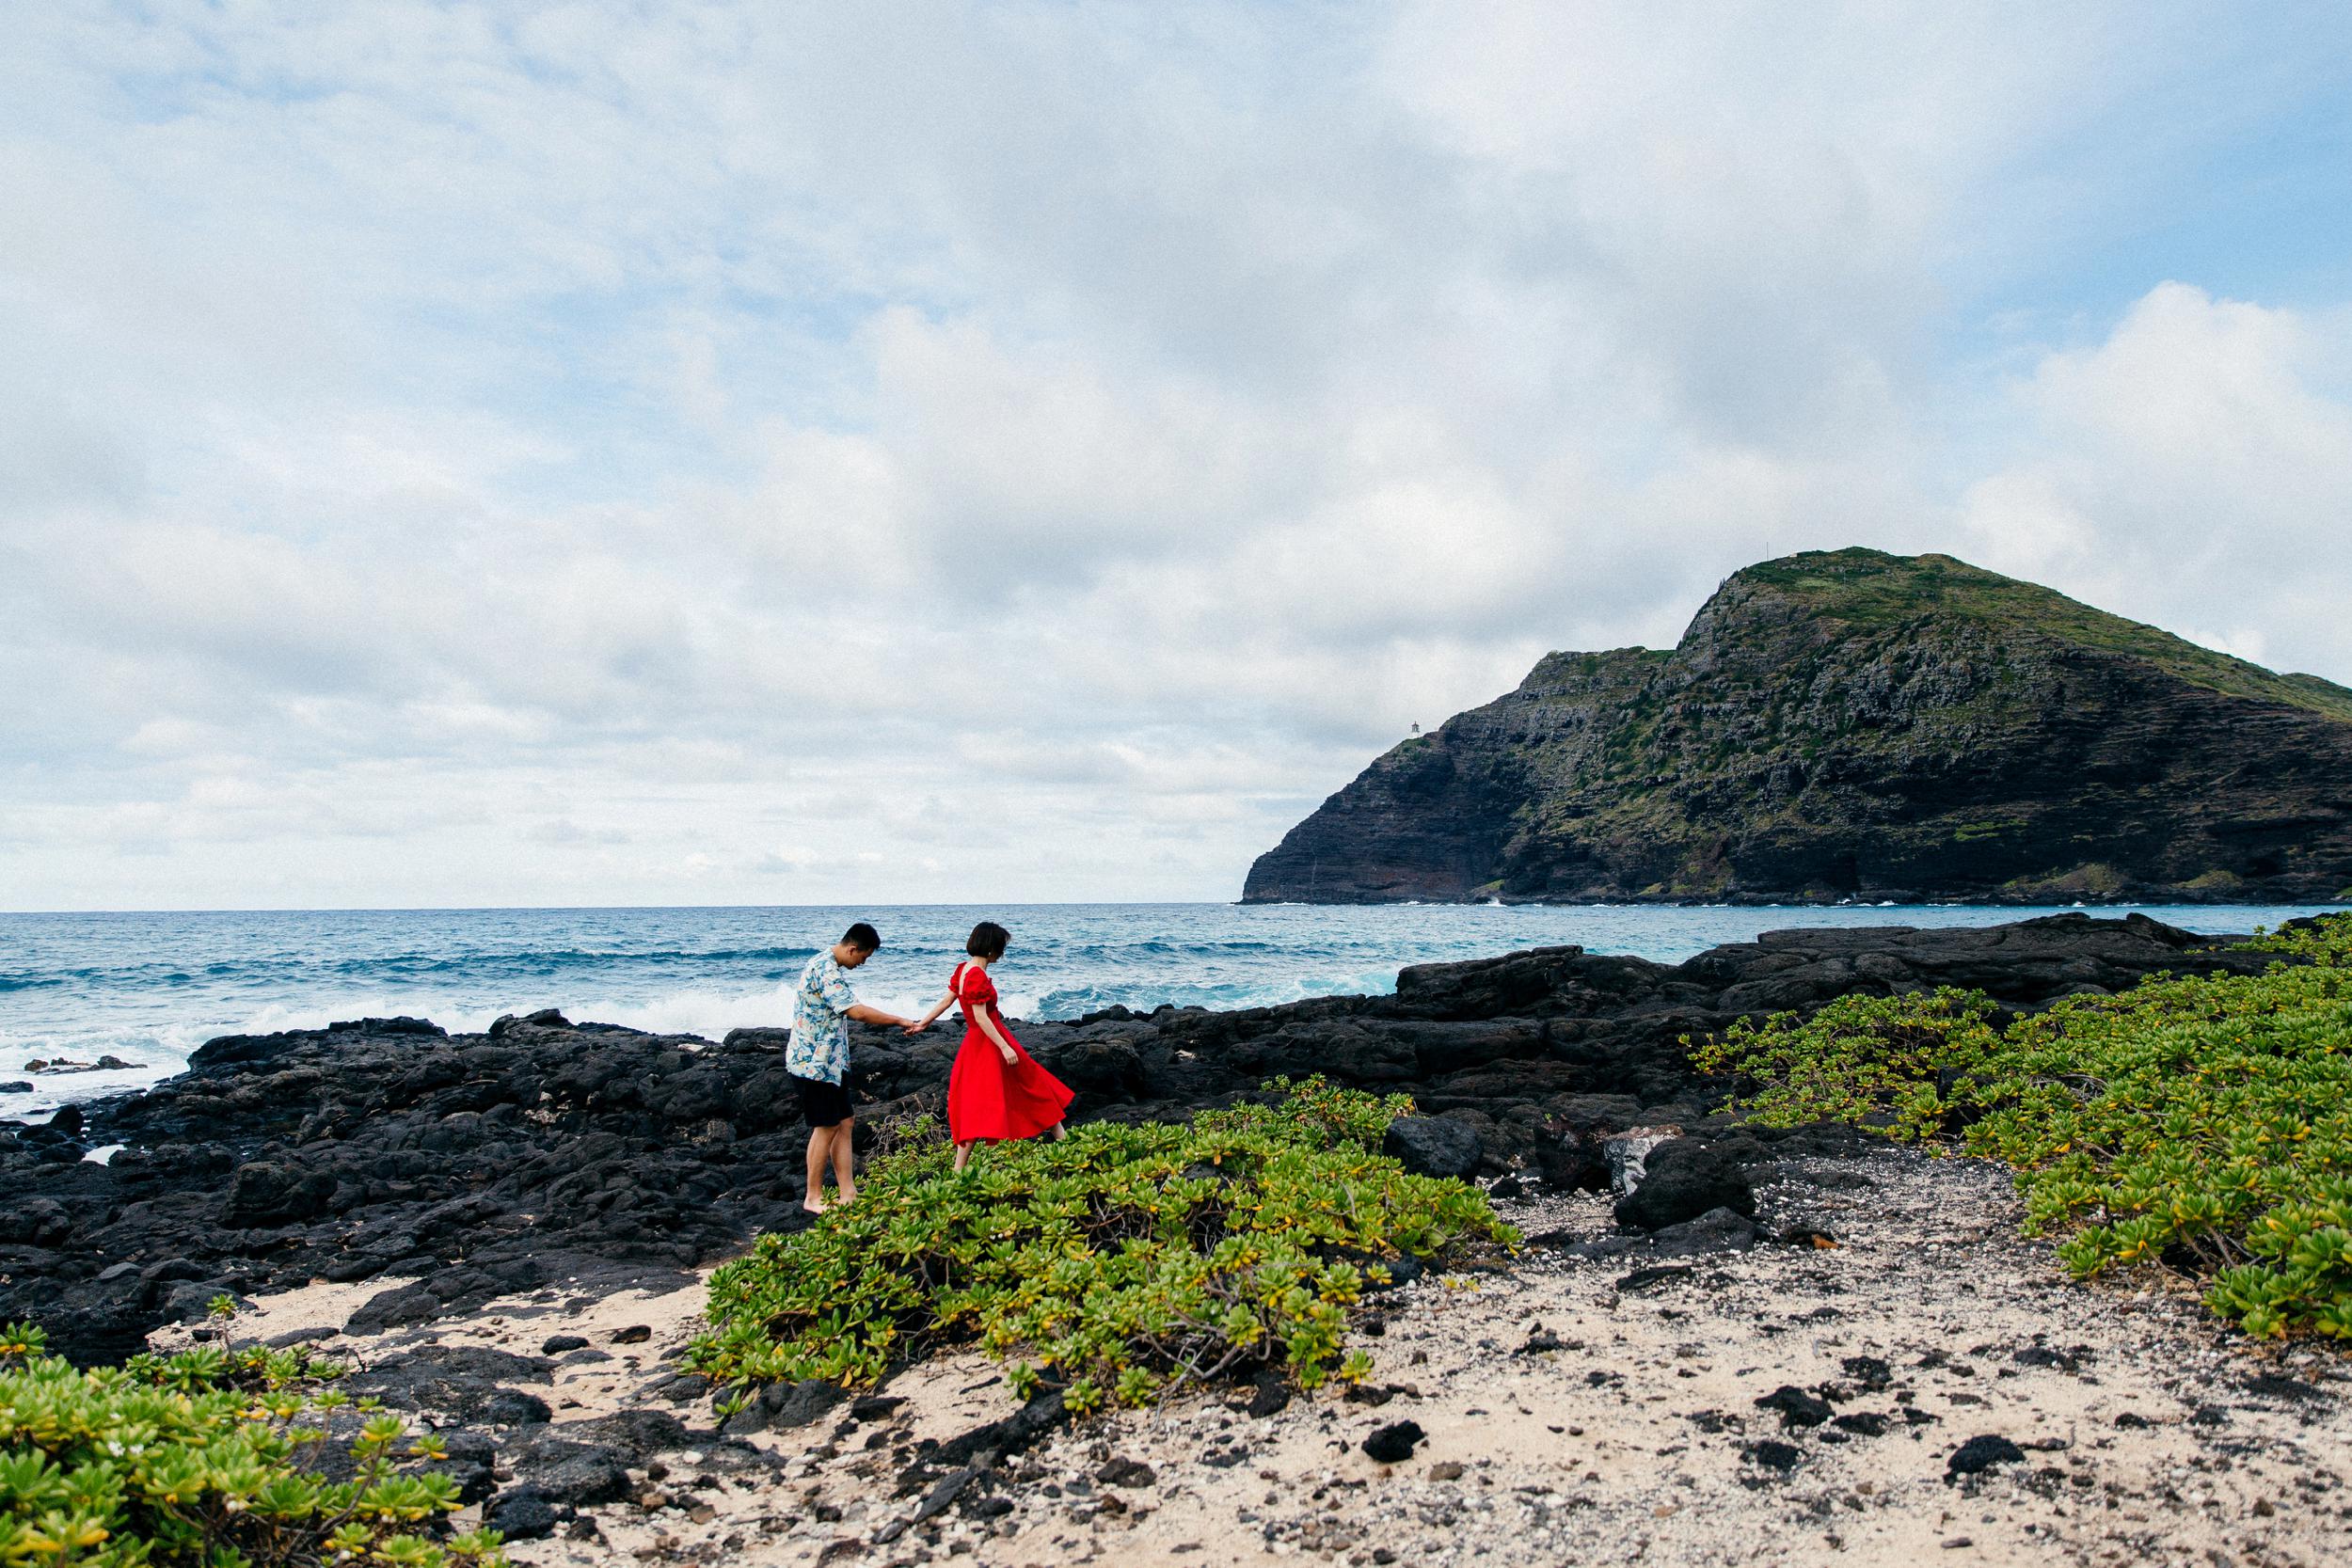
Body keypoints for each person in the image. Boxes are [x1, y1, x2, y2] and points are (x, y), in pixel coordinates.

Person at [912, 921, 1074, 1172]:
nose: (1002, 953)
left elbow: (947, 1001)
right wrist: (1004, 1047)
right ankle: (1066, 1147)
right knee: (1032, 1086)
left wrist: (923, 1023)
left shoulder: (963, 969)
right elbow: (980, 1017)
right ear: (992, 950)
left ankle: (959, 1169)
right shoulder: (976, 975)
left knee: (988, 1099)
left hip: (977, 1044)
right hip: (990, 1041)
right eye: (1001, 948)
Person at [789, 922, 921, 1213]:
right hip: (813, 1063)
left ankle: (848, 1192)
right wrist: (900, 1020)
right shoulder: (825, 971)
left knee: (845, 1122)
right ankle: (813, 1196)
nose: (862, 963)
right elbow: (857, 1012)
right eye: (864, 957)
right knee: (825, 1127)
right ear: (852, 949)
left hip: (832, 1062)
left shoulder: (828, 963)